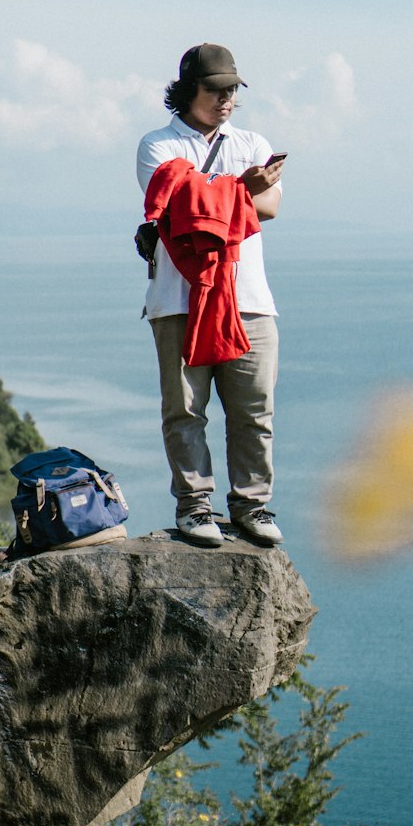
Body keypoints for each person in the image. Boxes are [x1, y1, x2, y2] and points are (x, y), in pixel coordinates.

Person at [136, 43, 285, 548]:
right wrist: (241, 191)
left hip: (249, 297)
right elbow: (178, 209)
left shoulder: (252, 141)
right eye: (215, 89)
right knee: (184, 410)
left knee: (254, 408)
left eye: (233, 90)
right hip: (179, 297)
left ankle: (251, 505)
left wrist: (220, 194)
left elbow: (270, 206)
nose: (226, 99)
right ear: (187, 92)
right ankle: (195, 506)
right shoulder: (158, 146)